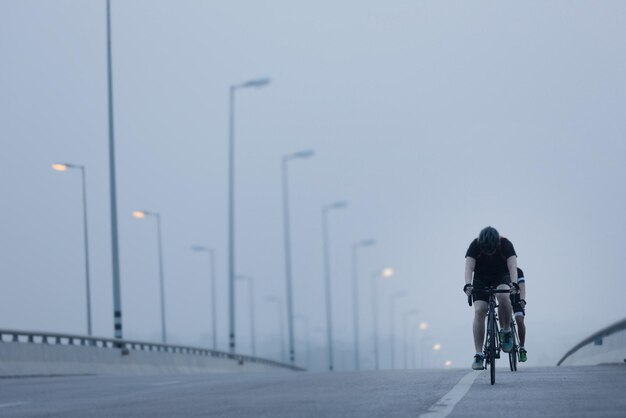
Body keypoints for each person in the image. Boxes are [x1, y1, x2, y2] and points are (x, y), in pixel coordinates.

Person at [464, 226, 519, 370]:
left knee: (503, 295)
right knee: (479, 310)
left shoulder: (506, 244)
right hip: (481, 278)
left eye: (491, 250)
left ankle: (506, 331)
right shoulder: (474, 245)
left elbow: (513, 266)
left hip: (501, 275)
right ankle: (478, 354)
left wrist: (514, 284)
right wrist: (468, 285)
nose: (489, 252)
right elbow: (469, 267)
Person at [511, 267, 527, 362]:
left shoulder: (518, 271)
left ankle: (522, 347)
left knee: (520, 320)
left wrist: (522, 299)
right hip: (504, 300)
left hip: (516, 299)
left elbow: (522, 286)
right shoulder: (498, 269)